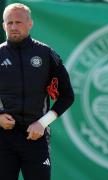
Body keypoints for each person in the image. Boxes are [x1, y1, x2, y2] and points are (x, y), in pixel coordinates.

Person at [0, 3, 74, 180]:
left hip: (35, 136)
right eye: (9, 23)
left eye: (19, 22)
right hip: (2, 138)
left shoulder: (47, 54)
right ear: (3, 25)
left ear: (30, 24)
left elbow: (67, 95)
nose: (14, 27)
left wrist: (43, 123)